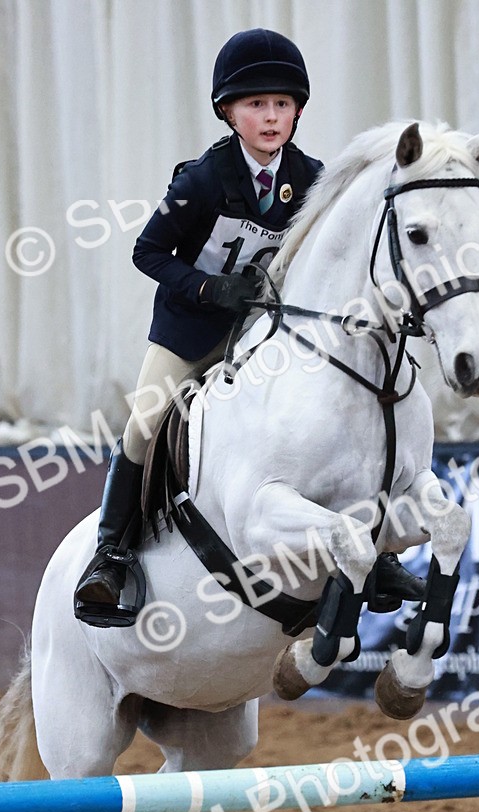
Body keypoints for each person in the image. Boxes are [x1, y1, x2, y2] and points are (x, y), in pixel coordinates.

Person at [74, 27, 424, 627]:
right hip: (191, 331)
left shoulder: (314, 180)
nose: (270, 117)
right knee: (144, 422)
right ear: (228, 113)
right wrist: (209, 287)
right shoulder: (201, 181)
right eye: (256, 105)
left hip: (266, 335)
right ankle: (111, 554)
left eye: (282, 104)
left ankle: (373, 547)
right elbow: (148, 253)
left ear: (297, 112)